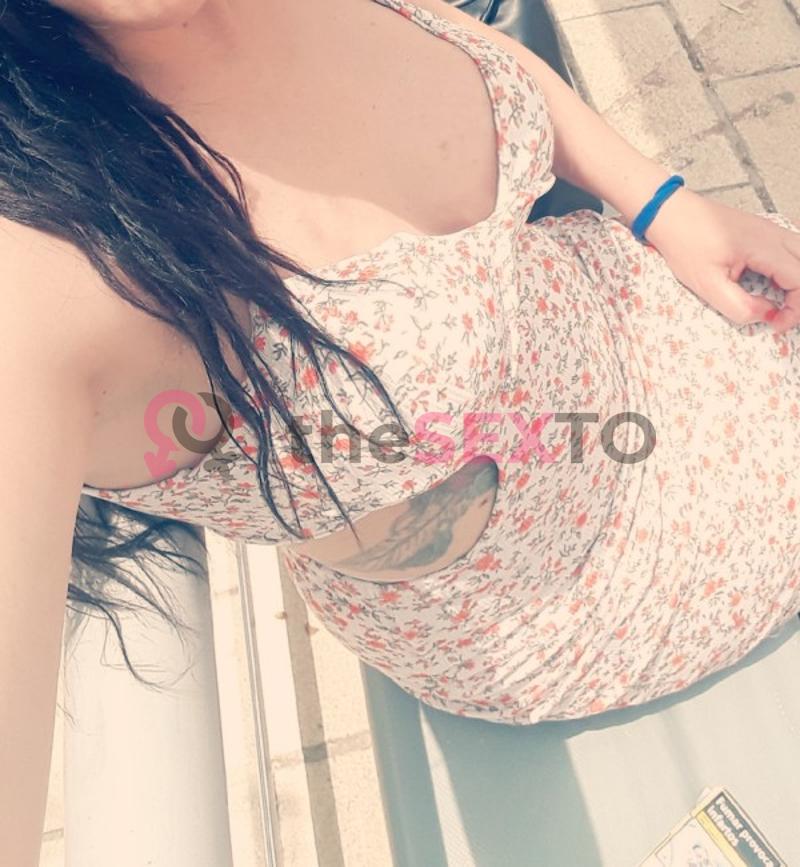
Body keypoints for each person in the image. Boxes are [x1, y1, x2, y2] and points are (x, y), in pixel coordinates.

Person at [2, 0, 799, 861]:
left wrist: (661, 204)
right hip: (597, 570)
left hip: (635, 300)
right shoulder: (36, 270)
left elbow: (473, 47)